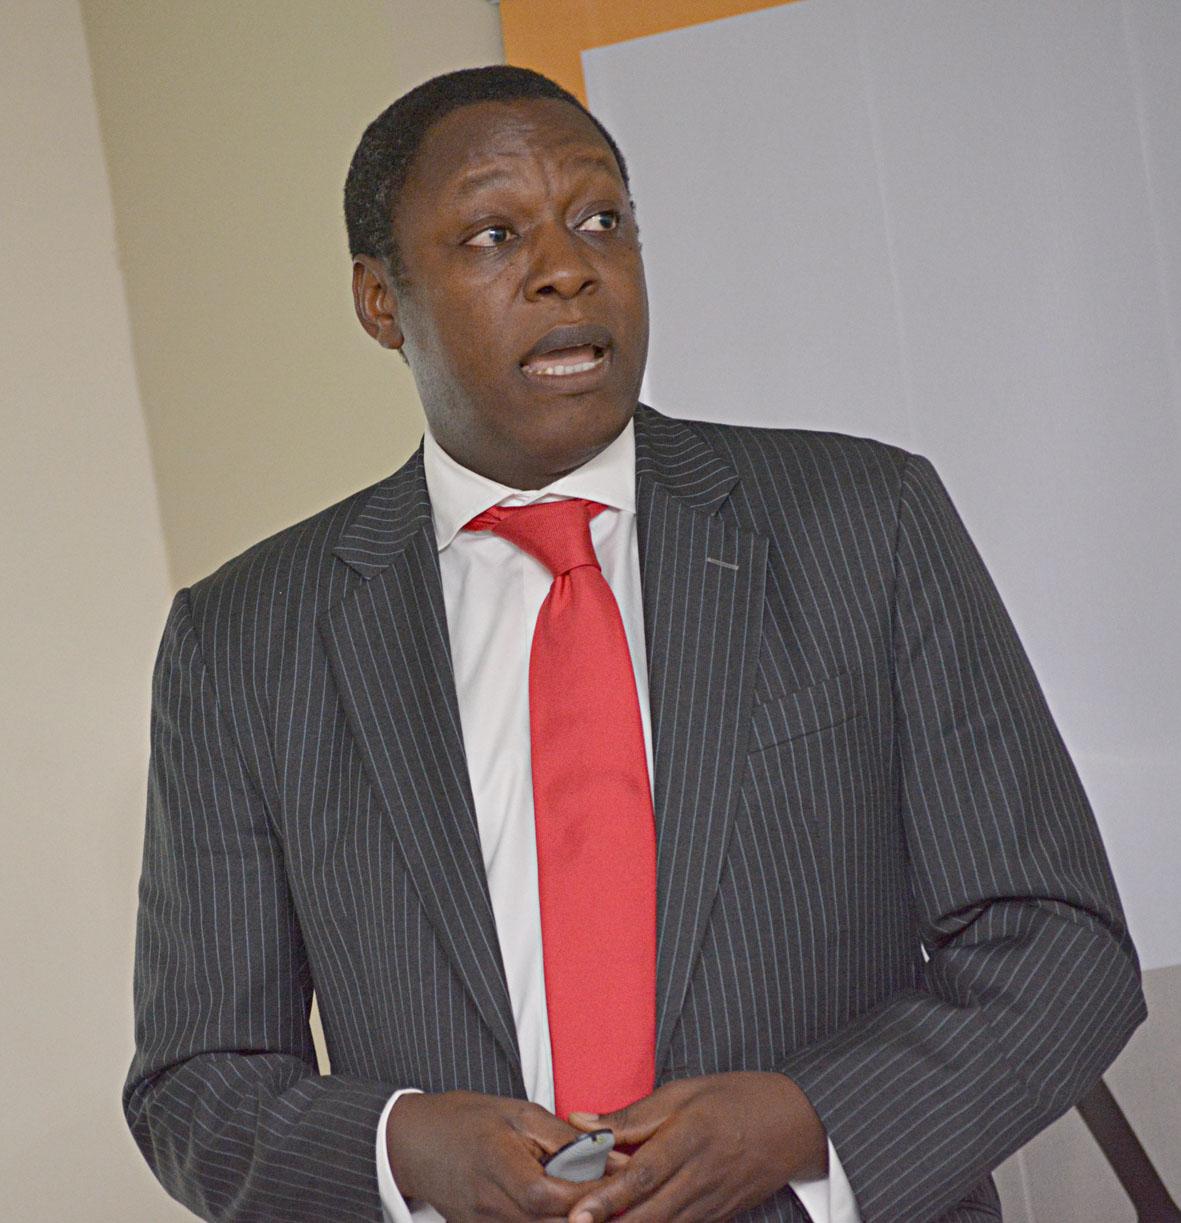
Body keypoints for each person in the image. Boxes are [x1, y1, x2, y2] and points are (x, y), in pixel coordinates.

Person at [124, 66, 1145, 1222]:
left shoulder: (866, 521)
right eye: (494, 235)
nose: (567, 267)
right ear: (378, 301)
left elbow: (1057, 944)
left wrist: (804, 1120)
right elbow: (195, 1082)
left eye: (600, 218)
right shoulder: (244, 641)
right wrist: (404, 1147)